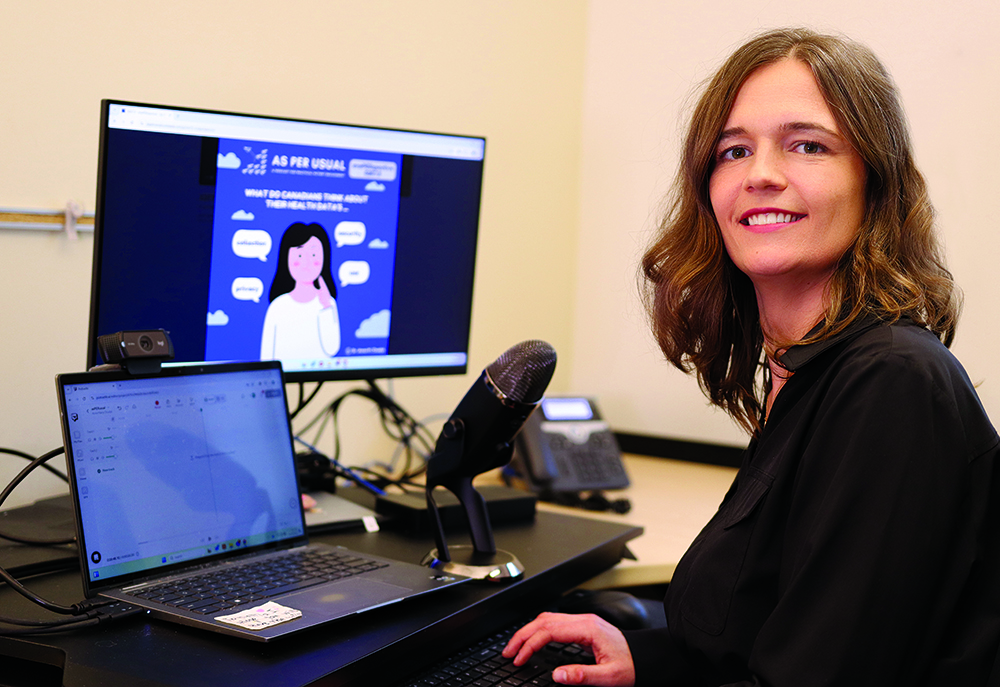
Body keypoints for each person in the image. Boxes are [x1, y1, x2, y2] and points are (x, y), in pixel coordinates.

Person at [503, 27, 1000, 686]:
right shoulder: (805, 371)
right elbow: (771, 630)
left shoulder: (892, 382)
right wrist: (644, 657)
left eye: (807, 145)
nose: (761, 174)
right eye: (734, 150)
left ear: (873, 182)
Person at [260, 221, 341, 361]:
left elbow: (332, 349)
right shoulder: (277, 306)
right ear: (286, 259)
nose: (307, 262)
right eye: (299, 255)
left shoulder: (328, 304)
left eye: (314, 255)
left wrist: (326, 307)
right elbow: (267, 357)